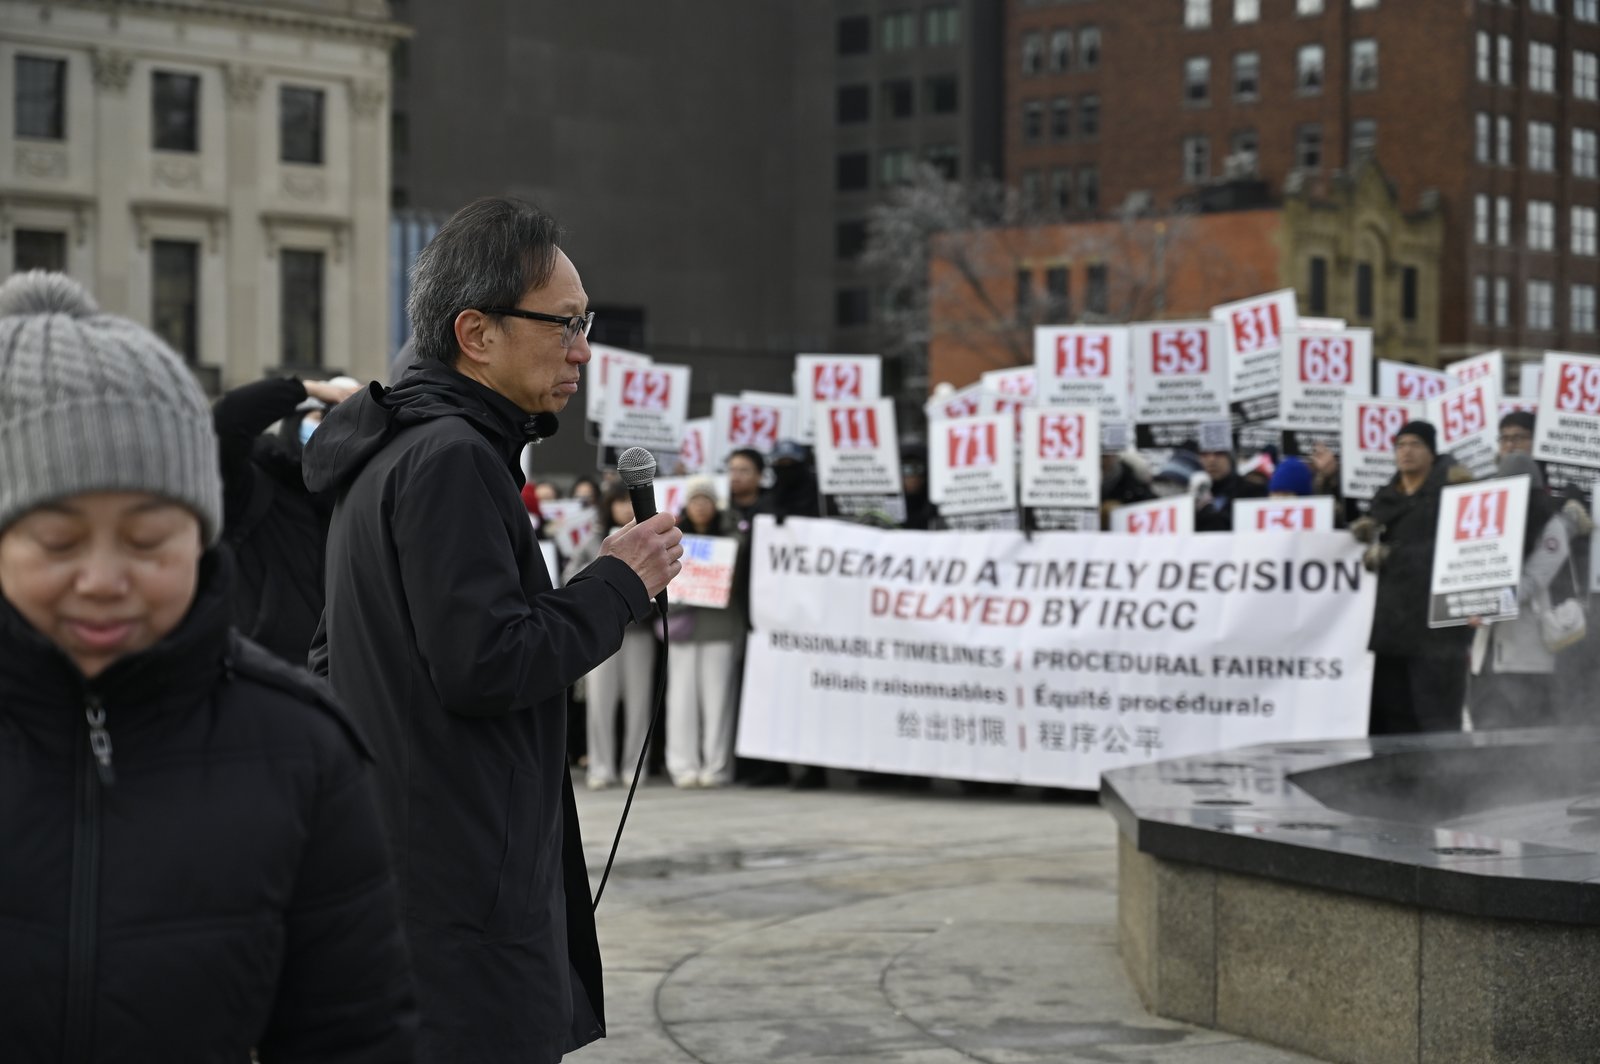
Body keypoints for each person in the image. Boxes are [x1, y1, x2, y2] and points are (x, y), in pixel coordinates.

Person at [302, 197, 683, 1062]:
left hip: (412, 867)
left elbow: (330, 654)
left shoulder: (398, 449)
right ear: (476, 333)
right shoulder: (451, 459)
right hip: (458, 889)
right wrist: (619, 582)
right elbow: (487, 662)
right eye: (566, 325)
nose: (584, 348)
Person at [0, 271, 415, 1058]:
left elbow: (354, 1032)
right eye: (57, 541)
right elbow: (229, 423)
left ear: (197, 533)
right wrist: (297, 385)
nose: (103, 578)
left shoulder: (306, 751)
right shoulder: (253, 485)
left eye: (149, 539)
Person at [213, 373, 362, 664]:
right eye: (322, 413)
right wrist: (310, 388)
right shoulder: (254, 482)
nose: (330, 425)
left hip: (339, 680)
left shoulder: (360, 498)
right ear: (296, 419)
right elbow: (227, 420)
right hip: (259, 672)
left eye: (345, 419)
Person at [1354, 420, 1472, 734]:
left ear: (1432, 452)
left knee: (1435, 720)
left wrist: (1395, 555)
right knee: (1392, 719)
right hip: (1391, 633)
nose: (1406, 451)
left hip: (1436, 634)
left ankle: (1441, 782)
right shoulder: (1384, 499)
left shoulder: (1453, 494)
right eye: (1400, 444)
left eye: (1415, 444)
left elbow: (1454, 551)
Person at [1468, 453, 1570, 728]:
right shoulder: (1493, 525)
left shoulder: (1552, 527)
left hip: (1525, 654)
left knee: (1521, 735)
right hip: (1485, 654)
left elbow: (1532, 581)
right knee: (1484, 729)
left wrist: (1488, 605)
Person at [568, 485, 659, 790]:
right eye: (619, 502)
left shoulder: (652, 540)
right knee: (600, 701)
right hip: (601, 631)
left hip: (640, 630)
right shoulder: (594, 540)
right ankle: (600, 765)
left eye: (630, 502)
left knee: (639, 701)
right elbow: (571, 576)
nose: (625, 509)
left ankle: (635, 767)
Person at [665, 478, 746, 788]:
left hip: (720, 626)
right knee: (681, 700)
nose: (700, 506)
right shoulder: (674, 536)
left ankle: (717, 767)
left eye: (706, 500)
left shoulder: (732, 535)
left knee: (718, 700)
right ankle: (682, 766)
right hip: (683, 626)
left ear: (716, 504)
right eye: (695, 500)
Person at [1196, 447, 1267, 531]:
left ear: (1230, 457)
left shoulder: (1253, 492)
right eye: (1204, 454)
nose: (1212, 459)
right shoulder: (1189, 494)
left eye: (1219, 453)